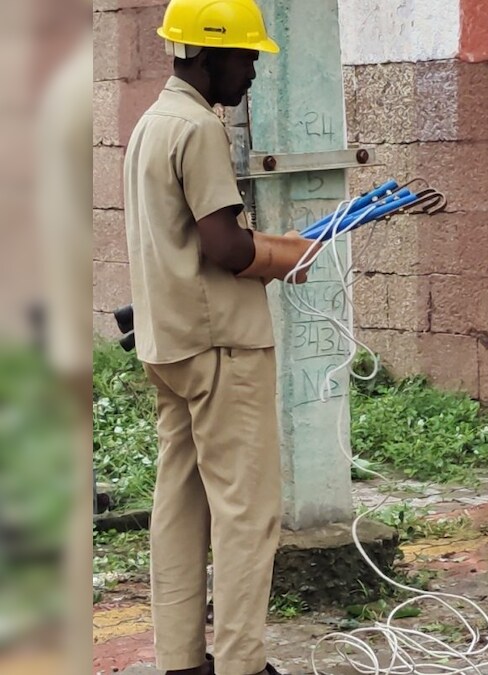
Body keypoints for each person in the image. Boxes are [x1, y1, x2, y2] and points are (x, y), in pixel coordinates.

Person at [123, 1, 320, 673]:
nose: (255, 70)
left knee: (179, 505)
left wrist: (265, 252)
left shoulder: (150, 125)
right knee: (246, 512)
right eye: (245, 56)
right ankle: (240, 663)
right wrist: (286, 253)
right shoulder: (198, 130)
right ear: (206, 56)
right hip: (220, 350)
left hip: (168, 345)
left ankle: (181, 660)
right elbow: (224, 246)